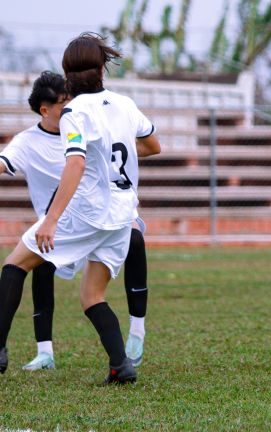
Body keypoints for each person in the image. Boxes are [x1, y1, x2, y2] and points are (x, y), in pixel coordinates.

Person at [0, 33, 160, 384]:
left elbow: (74, 165)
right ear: (102, 68)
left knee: (14, 264)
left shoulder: (74, 112)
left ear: (66, 71)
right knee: (92, 296)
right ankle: (120, 366)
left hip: (87, 213)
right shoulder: (124, 104)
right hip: (121, 215)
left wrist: (51, 220)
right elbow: (152, 145)